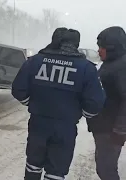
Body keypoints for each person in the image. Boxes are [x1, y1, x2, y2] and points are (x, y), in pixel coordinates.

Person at [12, 28, 106, 180]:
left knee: (33, 165)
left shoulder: (35, 61)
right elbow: (95, 102)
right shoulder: (86, 68)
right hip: (65, 127)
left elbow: (18, 89)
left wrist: (34, 104)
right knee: (56, 170)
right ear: (76, 44)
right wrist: (79, 112)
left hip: (38, 123)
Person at [86, 26, 126, 180]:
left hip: (112, 130)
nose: (98, 51)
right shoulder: (113, 63)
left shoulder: (121, 67)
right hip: (105, 127)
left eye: (101, 47)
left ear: (112, 47)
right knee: (104, 168)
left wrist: (120, 130)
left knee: (106, 170)